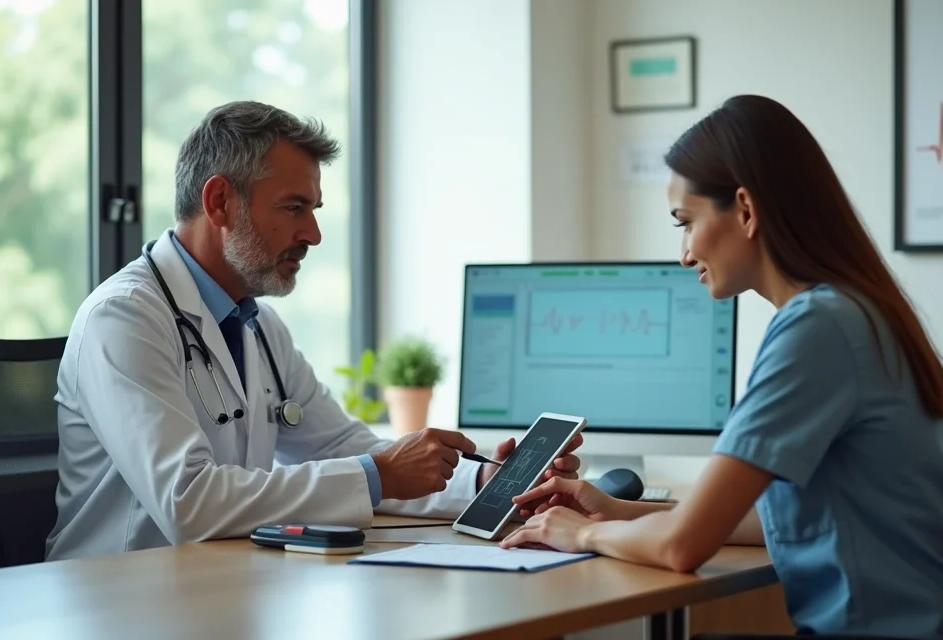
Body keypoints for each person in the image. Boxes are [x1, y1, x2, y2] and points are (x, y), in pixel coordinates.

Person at [498, 95, 943, 639]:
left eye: (686, 223)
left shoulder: (818, 328)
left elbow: (681, 547)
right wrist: (614, 512)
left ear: (744, 209)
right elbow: (782, 521)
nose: (684, 254)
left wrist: (582, 536)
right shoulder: (857, 310)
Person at [46, 100, 581, 561]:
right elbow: (189, 502)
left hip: (221, 587)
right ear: (218, 203)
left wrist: (486, 485)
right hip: (120, 601)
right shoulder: (124, 318)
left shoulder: (257, 325)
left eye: (314, 209)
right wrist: (375, 473)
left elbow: (341, 447)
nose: (314, 233)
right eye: (294, 208)